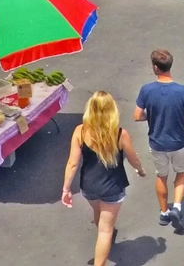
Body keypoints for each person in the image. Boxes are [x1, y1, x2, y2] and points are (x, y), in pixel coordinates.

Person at [62, 91, 147, 266]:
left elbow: (72, 163)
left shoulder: (81, 131)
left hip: (89, 186)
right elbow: (133, 158)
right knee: (105, 231)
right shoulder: (120, 134)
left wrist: (66, 189)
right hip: (112, 188)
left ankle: (104, 236)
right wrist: (140, 170)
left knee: (98, 212)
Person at [134, 50, 184, 235]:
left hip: (157, 143)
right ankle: (177, 207)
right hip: (179, 142)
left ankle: (164, 213)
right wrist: (180, 114)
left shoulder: (146, 90)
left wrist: (152, 114)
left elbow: (137, 116)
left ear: (155, 67)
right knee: (181, 173)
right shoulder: (183, 91)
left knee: (161, 176)